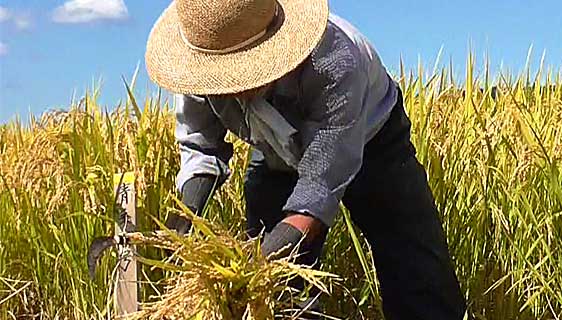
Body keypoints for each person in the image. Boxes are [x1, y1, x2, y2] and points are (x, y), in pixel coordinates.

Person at [144, 0, 465, 318]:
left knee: (417, 276)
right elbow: (202, 146)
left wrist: (262, 262)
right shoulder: (203, 54)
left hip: (372, 140)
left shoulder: (336, 63)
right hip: (275, 152)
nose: (235, 92)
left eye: (243, 75)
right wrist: (186, 216)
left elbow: (318, 187)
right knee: (279, 296)